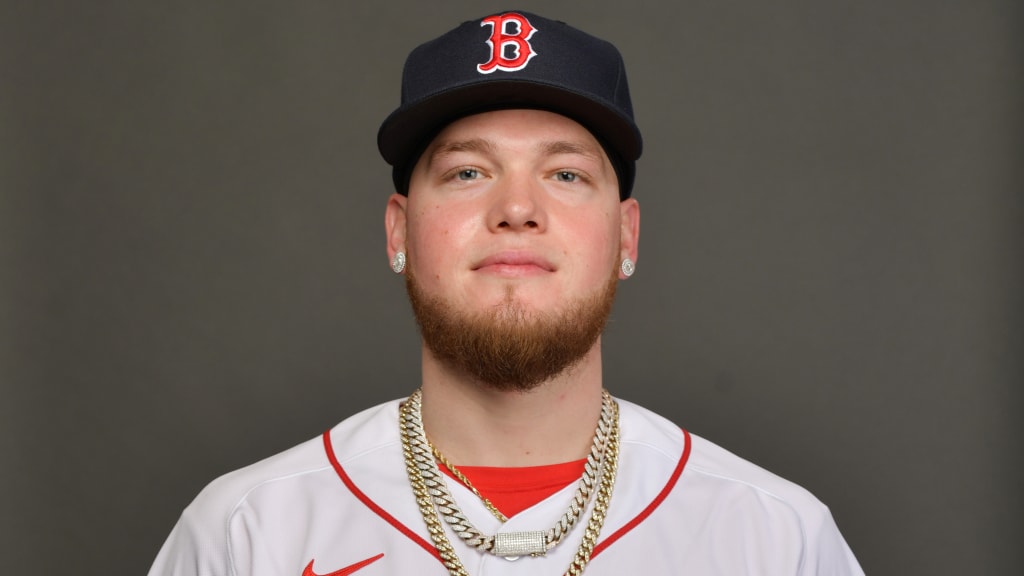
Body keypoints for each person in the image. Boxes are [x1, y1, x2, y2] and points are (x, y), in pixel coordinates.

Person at [148, 10, 864, 576]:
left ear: (627, 239)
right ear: (399, 232)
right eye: (466, 172)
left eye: (565, 174)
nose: (517, 208)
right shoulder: (248, 534)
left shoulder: (774, 540)